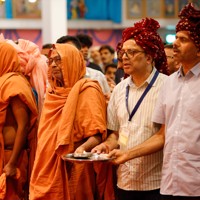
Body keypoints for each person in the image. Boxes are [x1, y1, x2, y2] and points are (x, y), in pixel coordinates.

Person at [108, 3, 200, 199]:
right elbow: (163, 134)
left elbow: (161, 135)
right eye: (176, 38)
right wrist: (120, 151)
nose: (175, 43)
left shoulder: (162, 83)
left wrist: (128, 153)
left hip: (183, 180)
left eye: (183, 40)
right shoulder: (172, 83)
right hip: (169, 181)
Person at [92, 18, 168, 200]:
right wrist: (105, 146)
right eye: (123, 52)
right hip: (124, 181)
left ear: (149, 57)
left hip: (156, 182)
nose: (124, 57)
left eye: (131, 52)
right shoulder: (119, 89)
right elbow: (116, 134)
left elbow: (164, 136)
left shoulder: (167, 86)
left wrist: (127, 154)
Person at [29, 43, 116, 200]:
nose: (54, 65)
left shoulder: (88, 89)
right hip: (46, 163)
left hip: (76, 165)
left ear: (72, 61)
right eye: (51, 61)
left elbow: (97, 134)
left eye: (59, 60)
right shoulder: (52, 93)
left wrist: (81, 149)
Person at [0, 42, 38, 200]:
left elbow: (23, 126)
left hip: (12, 156)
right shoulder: (3, 81)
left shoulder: (15, 83)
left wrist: (12, 163)